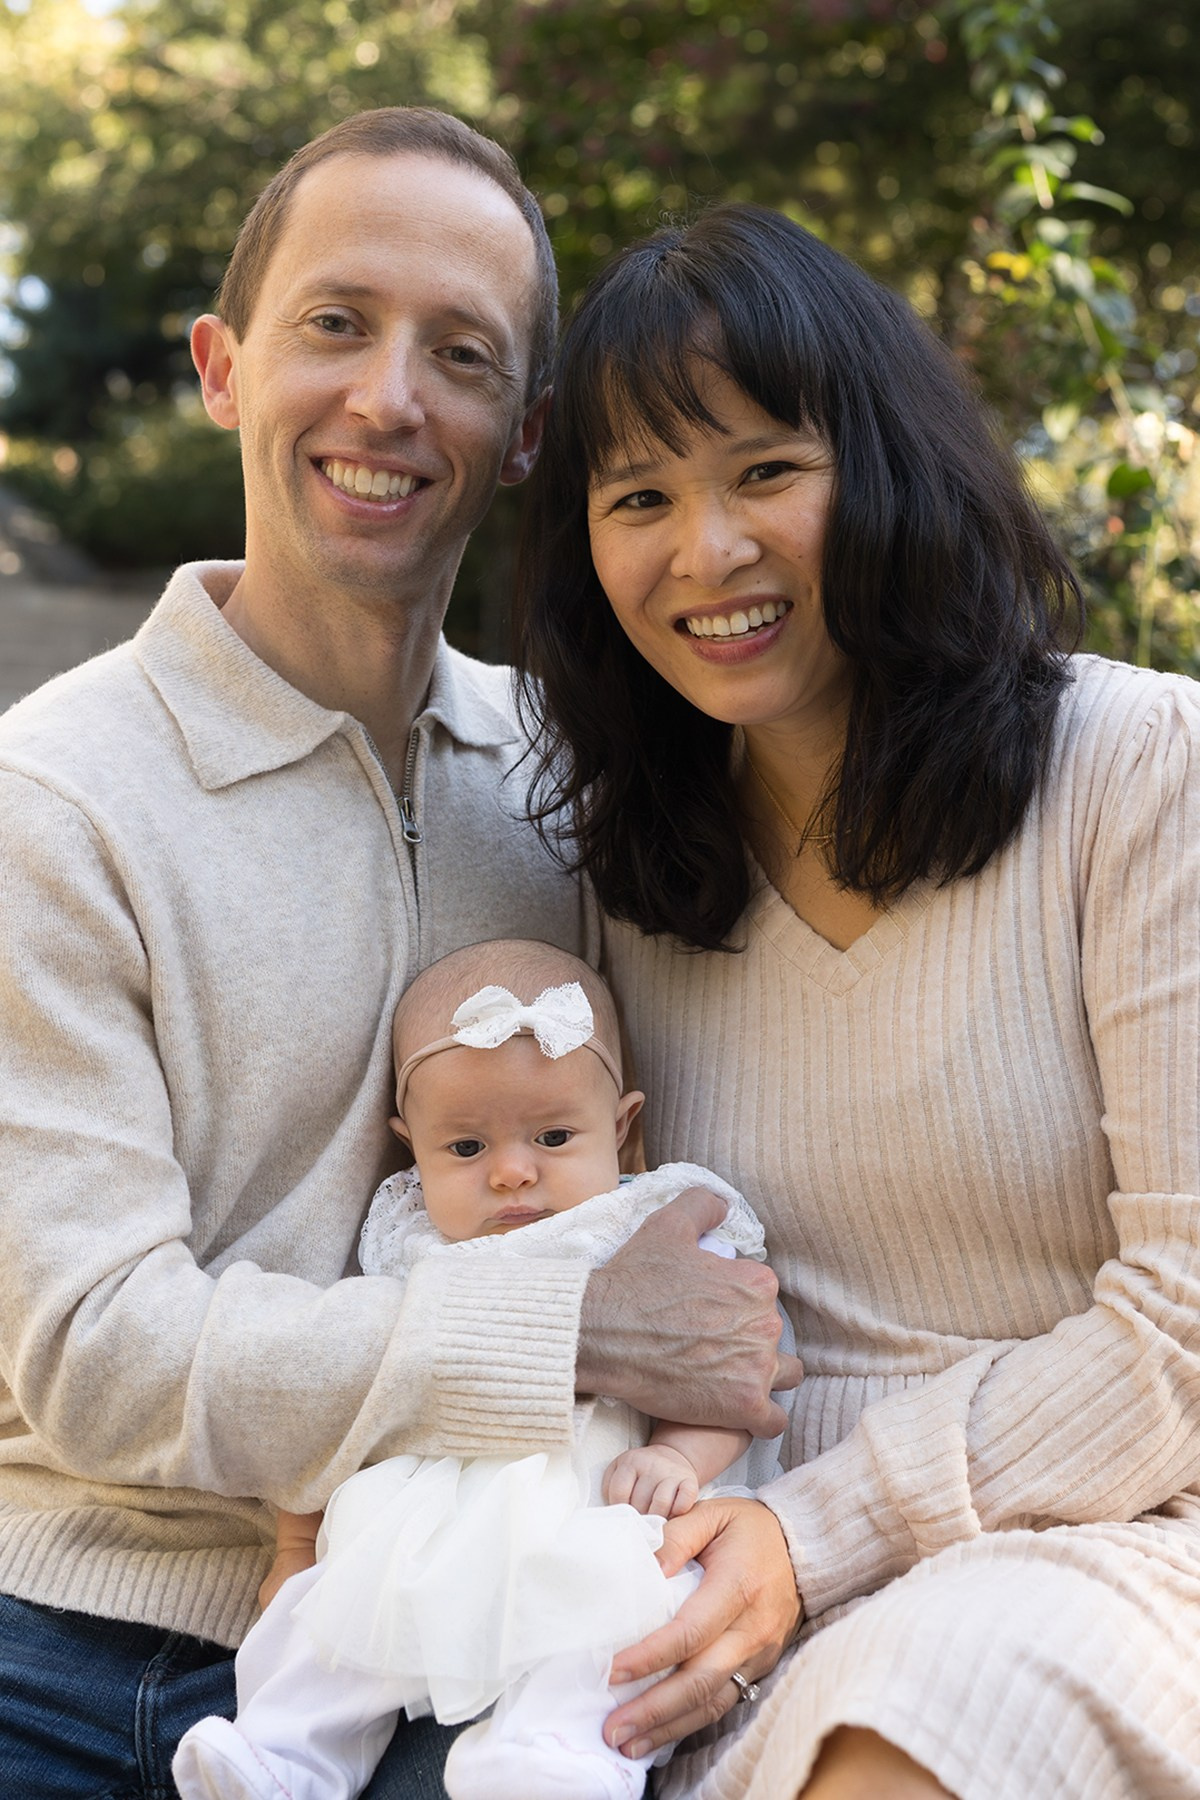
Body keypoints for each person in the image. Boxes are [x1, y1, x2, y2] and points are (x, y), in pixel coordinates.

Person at [0, 118, 798, 1800]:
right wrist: (565, 1325)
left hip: (500, 1638)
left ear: (522, 439)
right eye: (336, 324)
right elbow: (96, 1353)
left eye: (459, 355)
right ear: (224, 368)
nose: (388, 401)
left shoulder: (575, 781)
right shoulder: (52, 802)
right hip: (76, 1645)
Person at [514, 200, 1200, 1800]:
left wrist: (815, 1539)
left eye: (767, 472)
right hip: (713, 1572)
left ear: (883, 469)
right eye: (641, 497)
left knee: (913, 1722)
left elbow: (1188, 1327)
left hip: (1108, 1530)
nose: (711, 552)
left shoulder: (1139, 772)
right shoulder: (621, 875)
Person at [174, 937, 785, 1800]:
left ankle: (556, 1758)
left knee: (629, 1609)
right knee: (331, 1622)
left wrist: (683, 1456)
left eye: (554, 1135)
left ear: (623, 1126)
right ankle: (284, 1757)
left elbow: (736, 1365)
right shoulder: (406, 1239)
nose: (510, 1172)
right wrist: (297, 1543)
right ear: (408, 1147)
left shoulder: (656, 1222)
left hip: (599, 1500)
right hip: (420, 1518)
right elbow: (341, 1387)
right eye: (463, 1149)